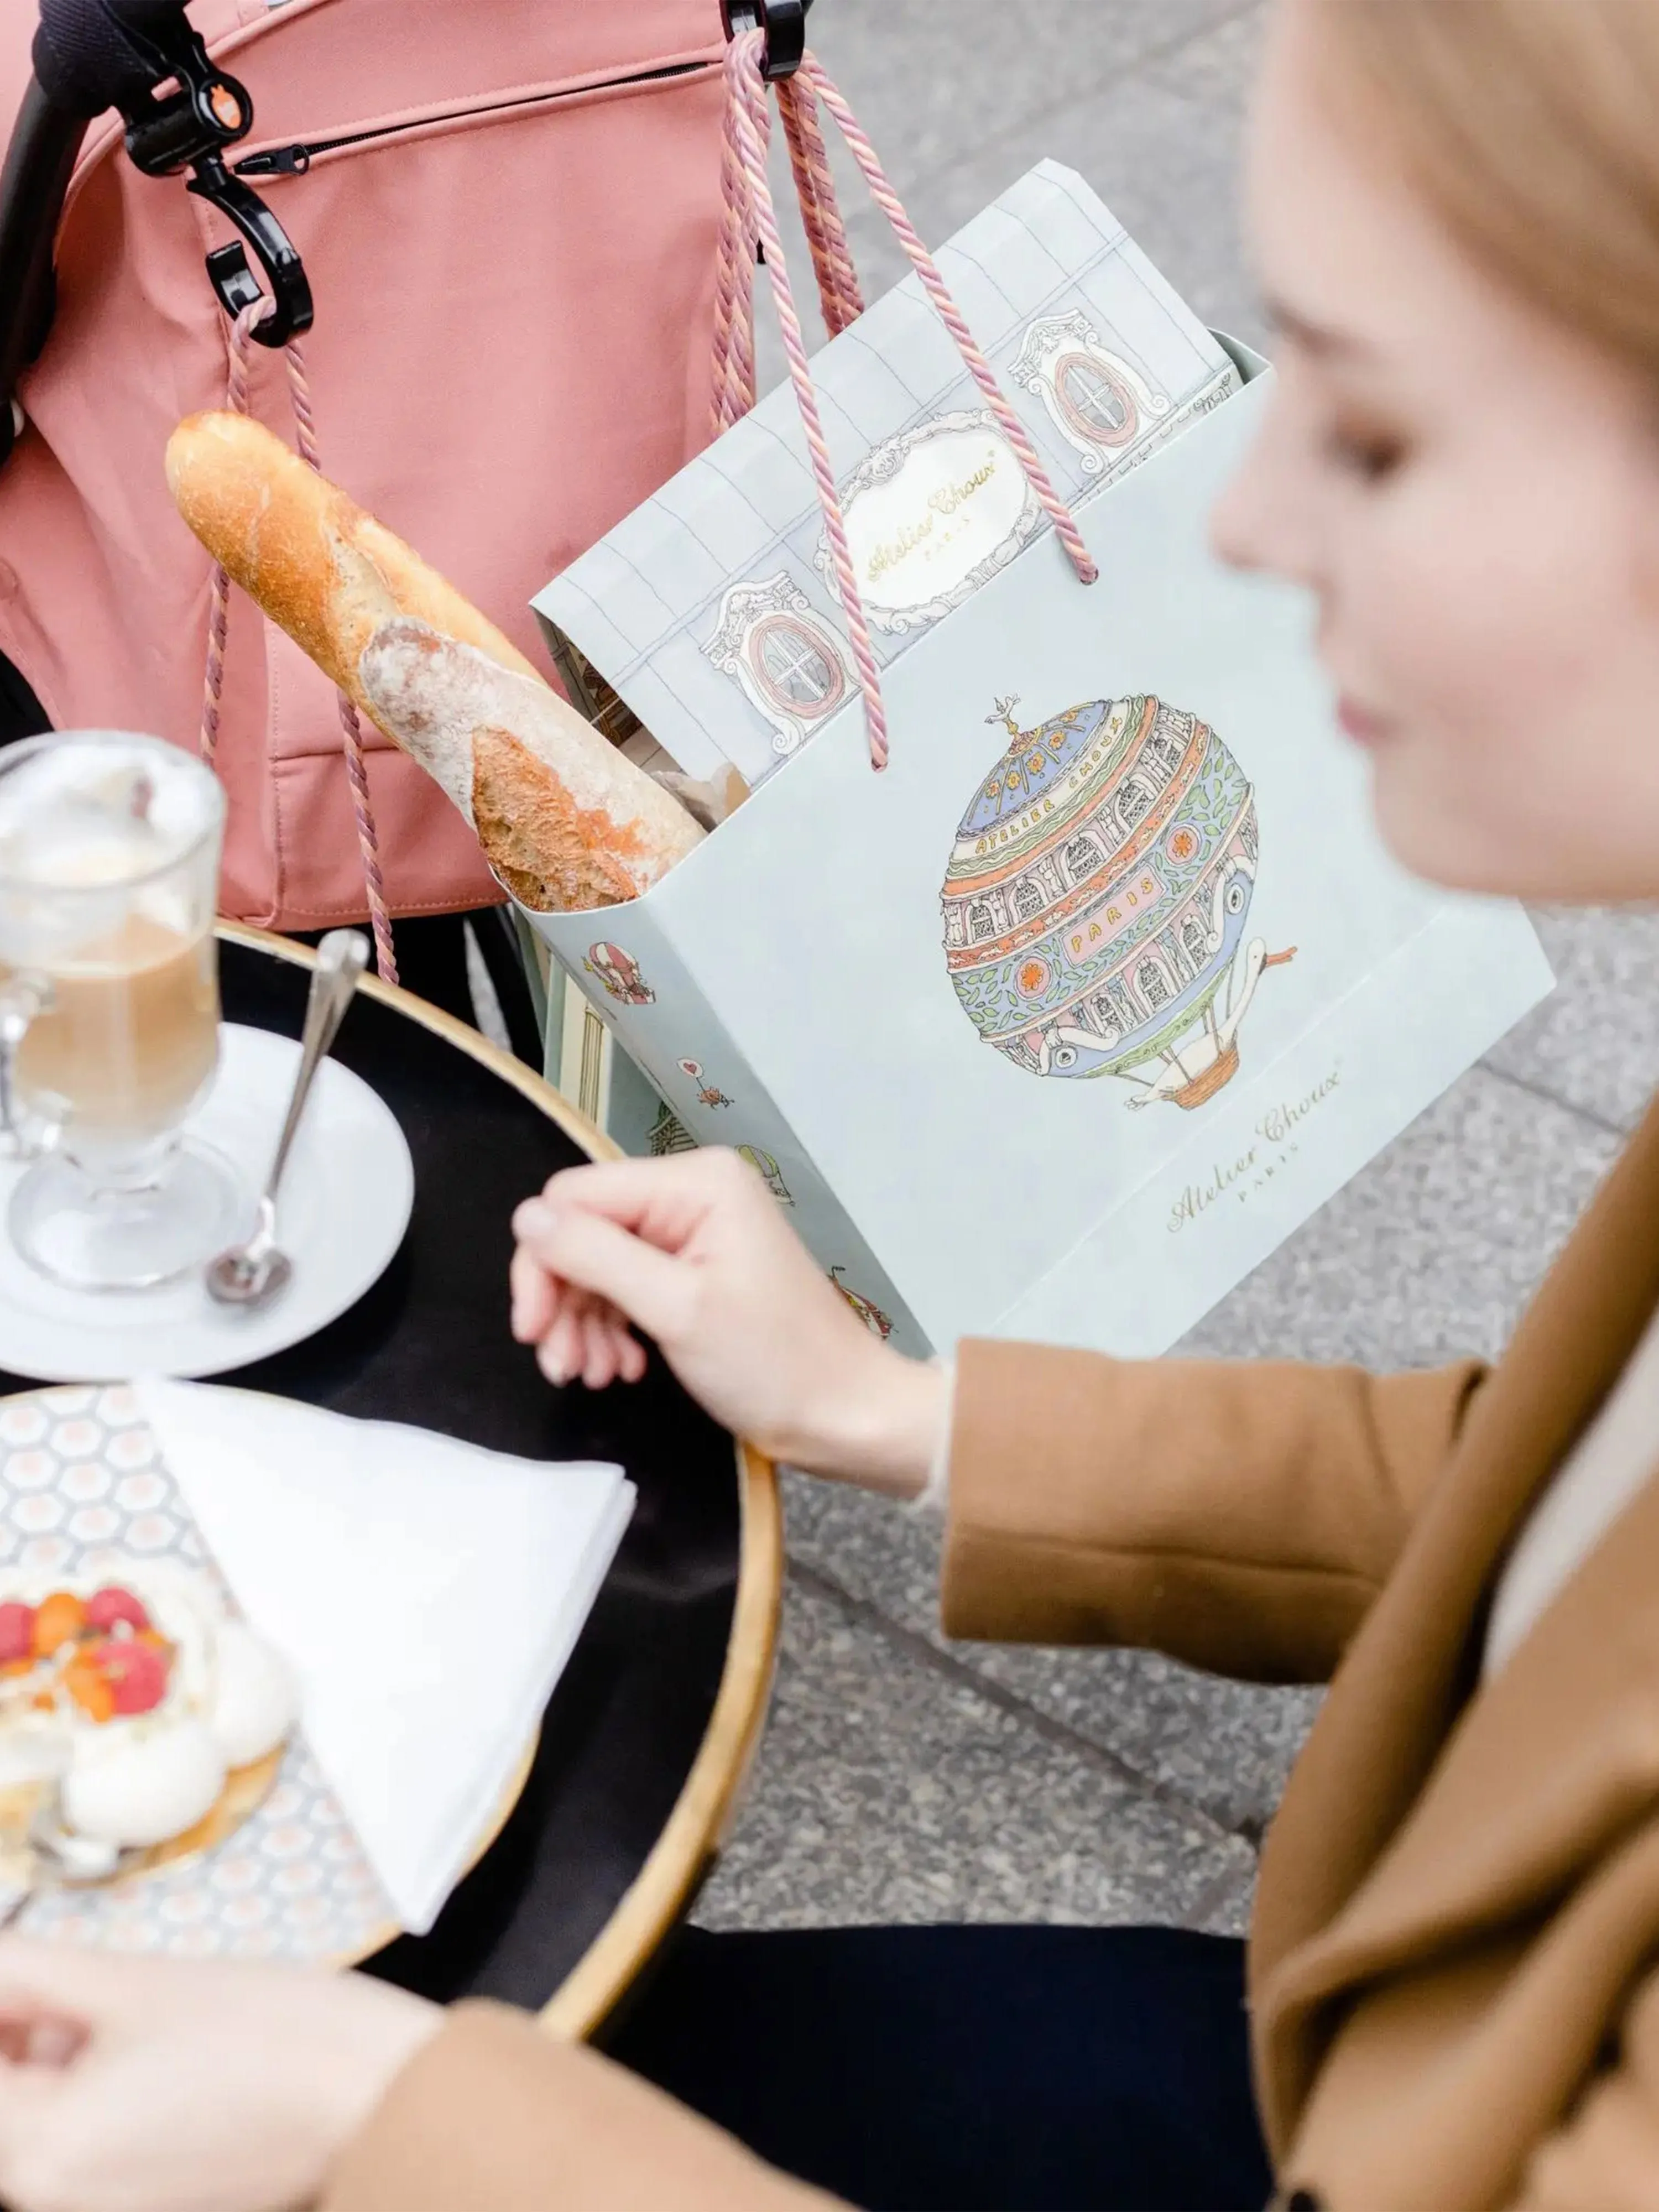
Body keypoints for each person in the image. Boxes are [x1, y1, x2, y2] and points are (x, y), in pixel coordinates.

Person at [5, 0, 1659, 2203]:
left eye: (1371, 430)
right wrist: (909, 1413)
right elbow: (1559, 1505)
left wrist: (354, 2113)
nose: (1245, 518)